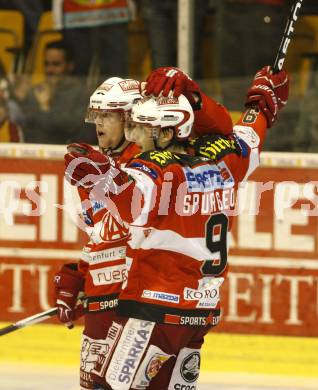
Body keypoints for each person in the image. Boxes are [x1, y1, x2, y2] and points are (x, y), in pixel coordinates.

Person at [61, 65, 289, 389]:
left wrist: (103, 180)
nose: (133, 137)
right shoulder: (228, 161)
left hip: (152, 311)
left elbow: (131, 202)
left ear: (167, 133)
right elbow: (250, 135)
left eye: (141, 128)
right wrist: (261, 105)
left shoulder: (156, 170)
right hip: (199, 314)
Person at [13, 40, 91, 144]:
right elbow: (25, 124)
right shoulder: (36, 91)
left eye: (56, 64)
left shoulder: (81, 93)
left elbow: (71, 128)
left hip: (65, 155)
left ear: (69, 66)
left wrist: (45, 107)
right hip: (33, 153)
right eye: (46, 64)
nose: (50, 69)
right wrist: (19, 101)